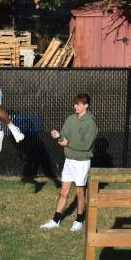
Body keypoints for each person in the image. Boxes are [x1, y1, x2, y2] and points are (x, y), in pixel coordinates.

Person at [40, 93, 98, 231]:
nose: (75, 106)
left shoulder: (91, 123)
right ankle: (56, 219)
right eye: (75, 103)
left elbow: (86, 146)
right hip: (69, 161)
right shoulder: (71, 119)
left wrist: (66, 142)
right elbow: (63, 136)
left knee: (79, 192)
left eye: (78, 104)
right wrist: (58, 136)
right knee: (63, 192)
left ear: (86, 106)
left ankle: (79, 220)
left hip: (82, 162)